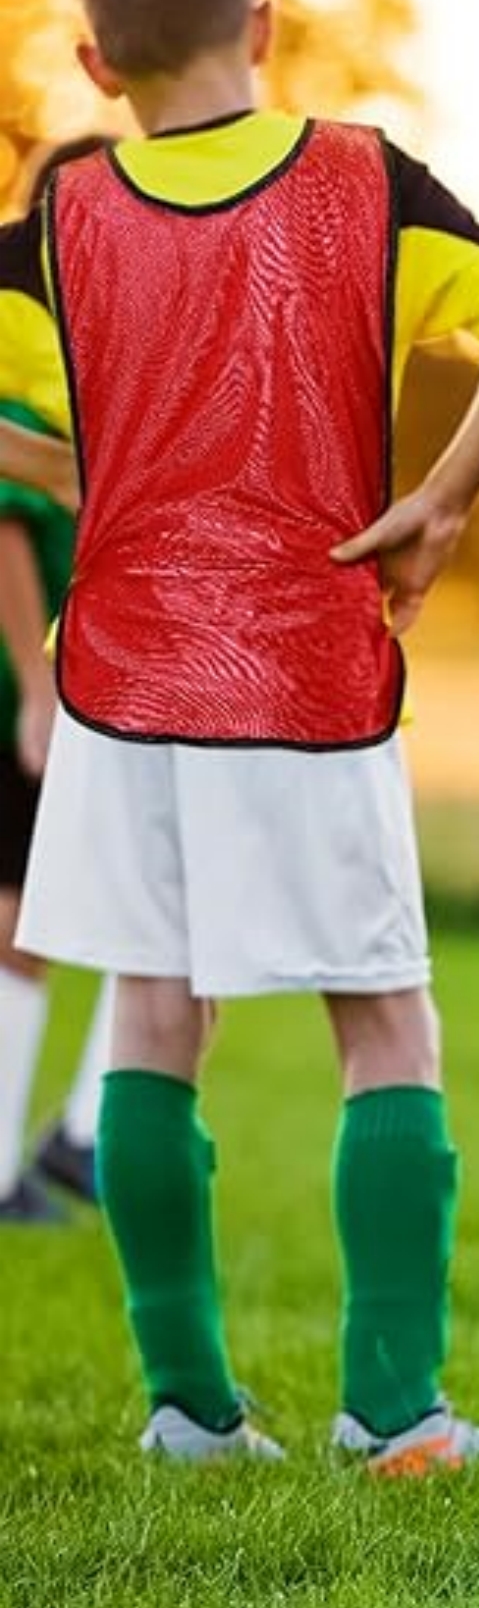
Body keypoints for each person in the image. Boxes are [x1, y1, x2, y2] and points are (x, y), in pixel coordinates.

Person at [0, 0, 479, 1473]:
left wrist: (73, 471)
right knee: (384, 1024)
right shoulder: (366, 180)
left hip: (120, 679)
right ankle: (398, 1417)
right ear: (259, 31)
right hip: (308, 668)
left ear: (96, 68)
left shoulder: (60, 220)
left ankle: (186, 1409)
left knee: (149, 1023)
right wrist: (448, 495)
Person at [0, 136, 118, 1224]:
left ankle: (84, 1138)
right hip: (41, 687)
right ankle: (49, 1150)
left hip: (95, 679)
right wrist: (37, 698)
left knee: (138, 922)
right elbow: (11, 531)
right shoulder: (33, 363)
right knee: (25, 916)